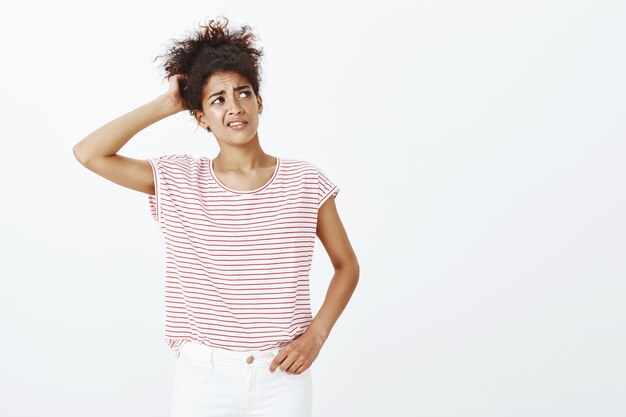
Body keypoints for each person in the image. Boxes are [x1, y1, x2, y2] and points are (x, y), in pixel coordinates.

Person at [72, 16, 360, 417]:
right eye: (217, 99)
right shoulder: (179, 179)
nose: (234, 107)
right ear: (200, 117)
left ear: (260, 102)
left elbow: (346, 266)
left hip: (283, 375)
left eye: (243, 93)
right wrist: (169, 102)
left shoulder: (304, 180)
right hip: (203, 379)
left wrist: (317, 335)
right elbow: (89, 153)